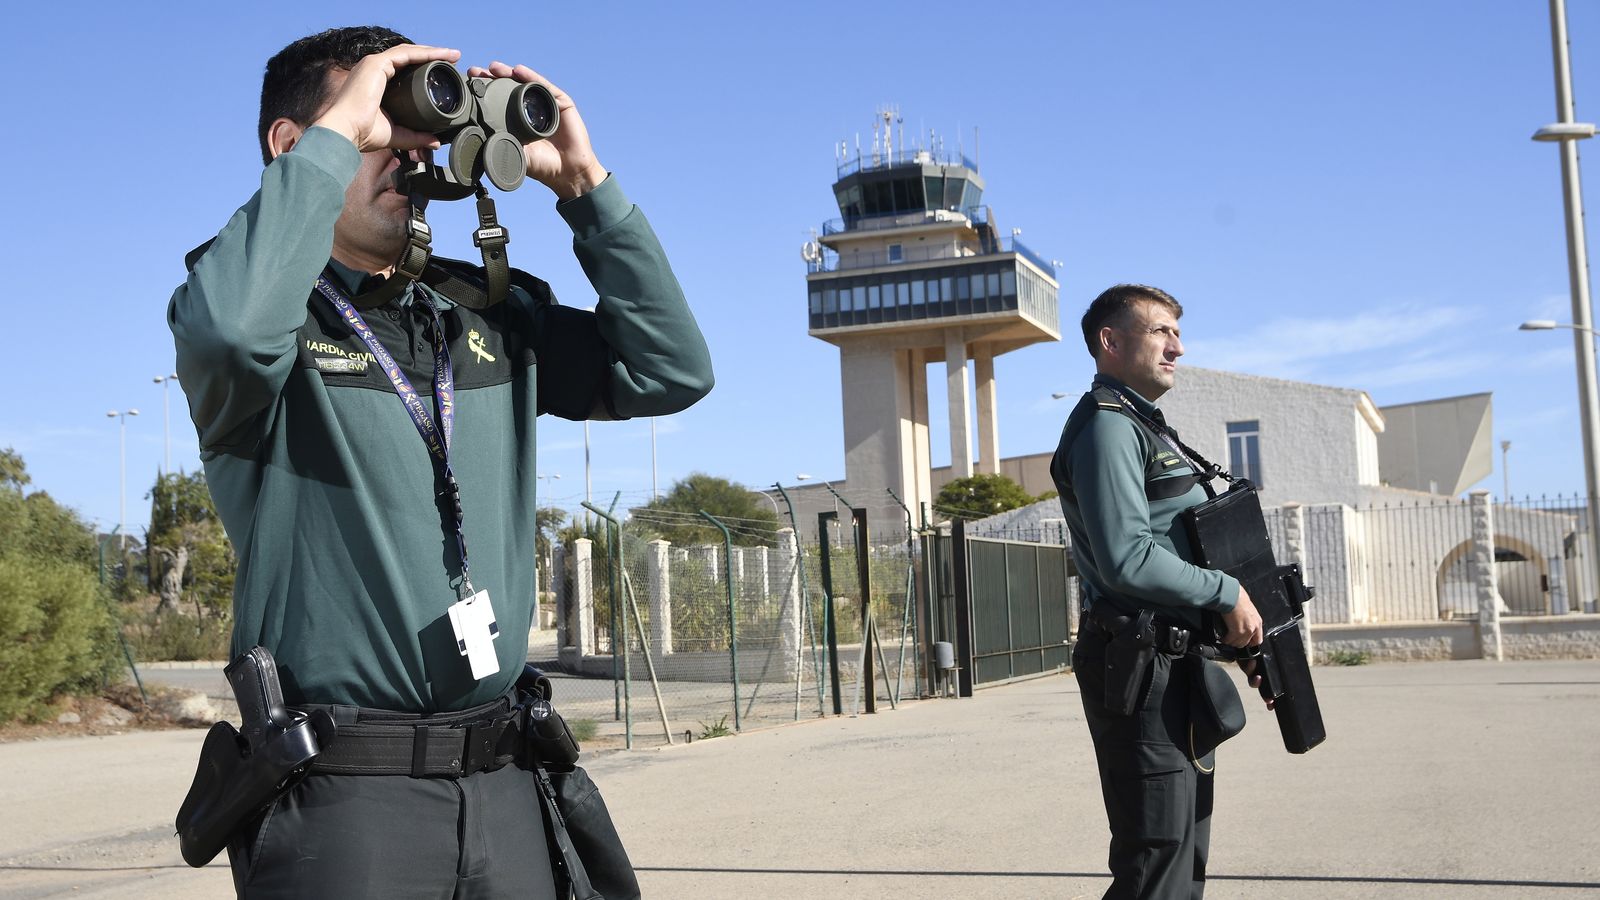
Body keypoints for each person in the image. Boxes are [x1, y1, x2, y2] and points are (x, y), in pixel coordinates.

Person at [168, 25, 712, 898]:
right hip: (348, 801)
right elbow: (232, 328)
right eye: (378, 127)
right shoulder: (260, 325)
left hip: (506, 773)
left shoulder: (485, 314)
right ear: (293, 143)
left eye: (417, 131)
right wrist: (335, 142)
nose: (410, 152)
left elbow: (671, 369)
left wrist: (584, 189)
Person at [1049, 284, 1263, 900]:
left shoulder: (1143, 424)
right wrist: (1226, 592)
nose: (1178, 347)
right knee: (1156, 863)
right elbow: (1128, 559)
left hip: (1176, 663)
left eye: (1178, 332)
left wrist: (1239, 628)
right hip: (1140, 667)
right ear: (1110, 342)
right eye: (1161, 331)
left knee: (1184, 860)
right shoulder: (1108, 427)